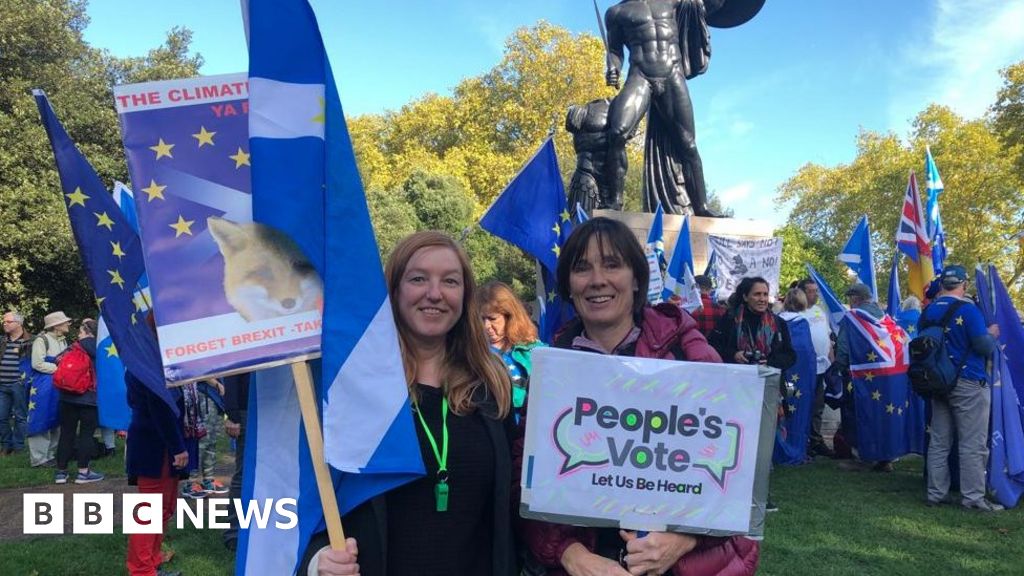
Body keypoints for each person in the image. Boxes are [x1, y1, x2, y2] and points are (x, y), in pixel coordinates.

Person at [521, 217, 759, 576]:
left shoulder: (686, 351)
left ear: (636, 279)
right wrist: (571, 553)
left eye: (612, 265)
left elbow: (739, 470)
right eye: (582, 268)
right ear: (569, 286)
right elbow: (521, 477)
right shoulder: (554, 367)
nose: (597, 280)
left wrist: (686, 538)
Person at [305, 231, 516, 576]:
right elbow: (305, 492)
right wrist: (317, 561)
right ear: (395, 289)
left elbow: (513, 505)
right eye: (418, 278)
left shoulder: (491, 386)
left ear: (465, 295)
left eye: (450, 281)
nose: (434, 293)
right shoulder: (354, 386)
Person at [604, 0, 757, 215]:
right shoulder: (616, 12)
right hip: (640, 75)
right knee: (617, 133)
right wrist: (613, 66)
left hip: (672, 74)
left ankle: (702, 206)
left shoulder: (674, 1)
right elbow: (614, 50)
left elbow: (711, 6)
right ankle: (614, 202)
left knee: (688, 145)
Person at [920, 265, 1003, 511]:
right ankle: (974, 498)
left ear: (942, 284)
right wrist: (992, 334)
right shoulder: (969, 310)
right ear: (964, 284)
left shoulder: (928, 311)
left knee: (939, 442)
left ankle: (936, 493)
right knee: (972, 444)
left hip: (938, 381)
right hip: (968, 382)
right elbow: (983, 347)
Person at [125, 313, 192, 576]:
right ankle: (142, 569)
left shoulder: (153, 361)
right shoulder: (148, 366)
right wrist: (178, 448)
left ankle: (151, 558)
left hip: (161, 444)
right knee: (150, 509)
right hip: (154, 445)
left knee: (164, 507)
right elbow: (161, 412)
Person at [832, 283, 894, 472]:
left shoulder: (853, 318)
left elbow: (843, 346)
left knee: (858, 413)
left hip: (859, 374)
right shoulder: (886, 318)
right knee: (881, 413)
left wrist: (838, 368)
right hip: (884, 374)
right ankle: (886, 456)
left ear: (855, 299)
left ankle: (864, 456)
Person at [478, 281, 545, 424]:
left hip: (531, 430)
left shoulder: (536, 350)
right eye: (481, 319)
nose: (486, 326)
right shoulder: (472, 353)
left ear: (510, 316)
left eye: (492, 318)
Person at [54, 319, 104, 484]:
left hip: (67, 396)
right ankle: (83, 472)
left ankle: (61, 472)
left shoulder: (72, 347)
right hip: (89, 397)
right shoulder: (100, 348)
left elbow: (56, 361)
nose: (78, 334)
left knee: (66, 433)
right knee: (86, 435)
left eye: (81, 331)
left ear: (86, 331)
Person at [710, 277, 796, 372]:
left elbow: (790, 356)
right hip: (737, 378)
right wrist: (734, 355)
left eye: (765, 294)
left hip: (768, 380)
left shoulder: (778, 322)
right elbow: (713, 346)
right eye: (757, 294)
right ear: (745, 297)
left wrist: (769, 362)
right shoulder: (730, 319)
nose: (762, 299)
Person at [28, 311, 72, 467]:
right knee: (41, 416)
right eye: (65, 322)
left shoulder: (63, 341)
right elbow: (37, 363)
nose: (68, 324)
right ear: (57, 326)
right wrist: (60, 368)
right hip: (44, 384)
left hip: (58, 384)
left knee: (55, 417)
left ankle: (50, 454)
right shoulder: (42, 340)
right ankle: (39, 458)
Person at [797, 277, 835, 457]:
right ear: (801, 292)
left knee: (818, 405)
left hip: (821, 368)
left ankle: (816, 440)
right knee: (799, 402)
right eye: (810, 291)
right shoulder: (795, 313)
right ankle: (799, 439)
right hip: (801, 371)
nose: (814, 295)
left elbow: (827, 338)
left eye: (815, 291)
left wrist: (832, 361)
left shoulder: (820, 311)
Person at [0, 311, 32, 456]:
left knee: (20, 416)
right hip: (2, 384)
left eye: (8, 322)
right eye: (4, 322)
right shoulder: (2, 341)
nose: (4, 324)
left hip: (19, 384)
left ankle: (18, 447)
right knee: (1, 416)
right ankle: (6, 445)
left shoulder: (30, 341)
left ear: (18, 323)